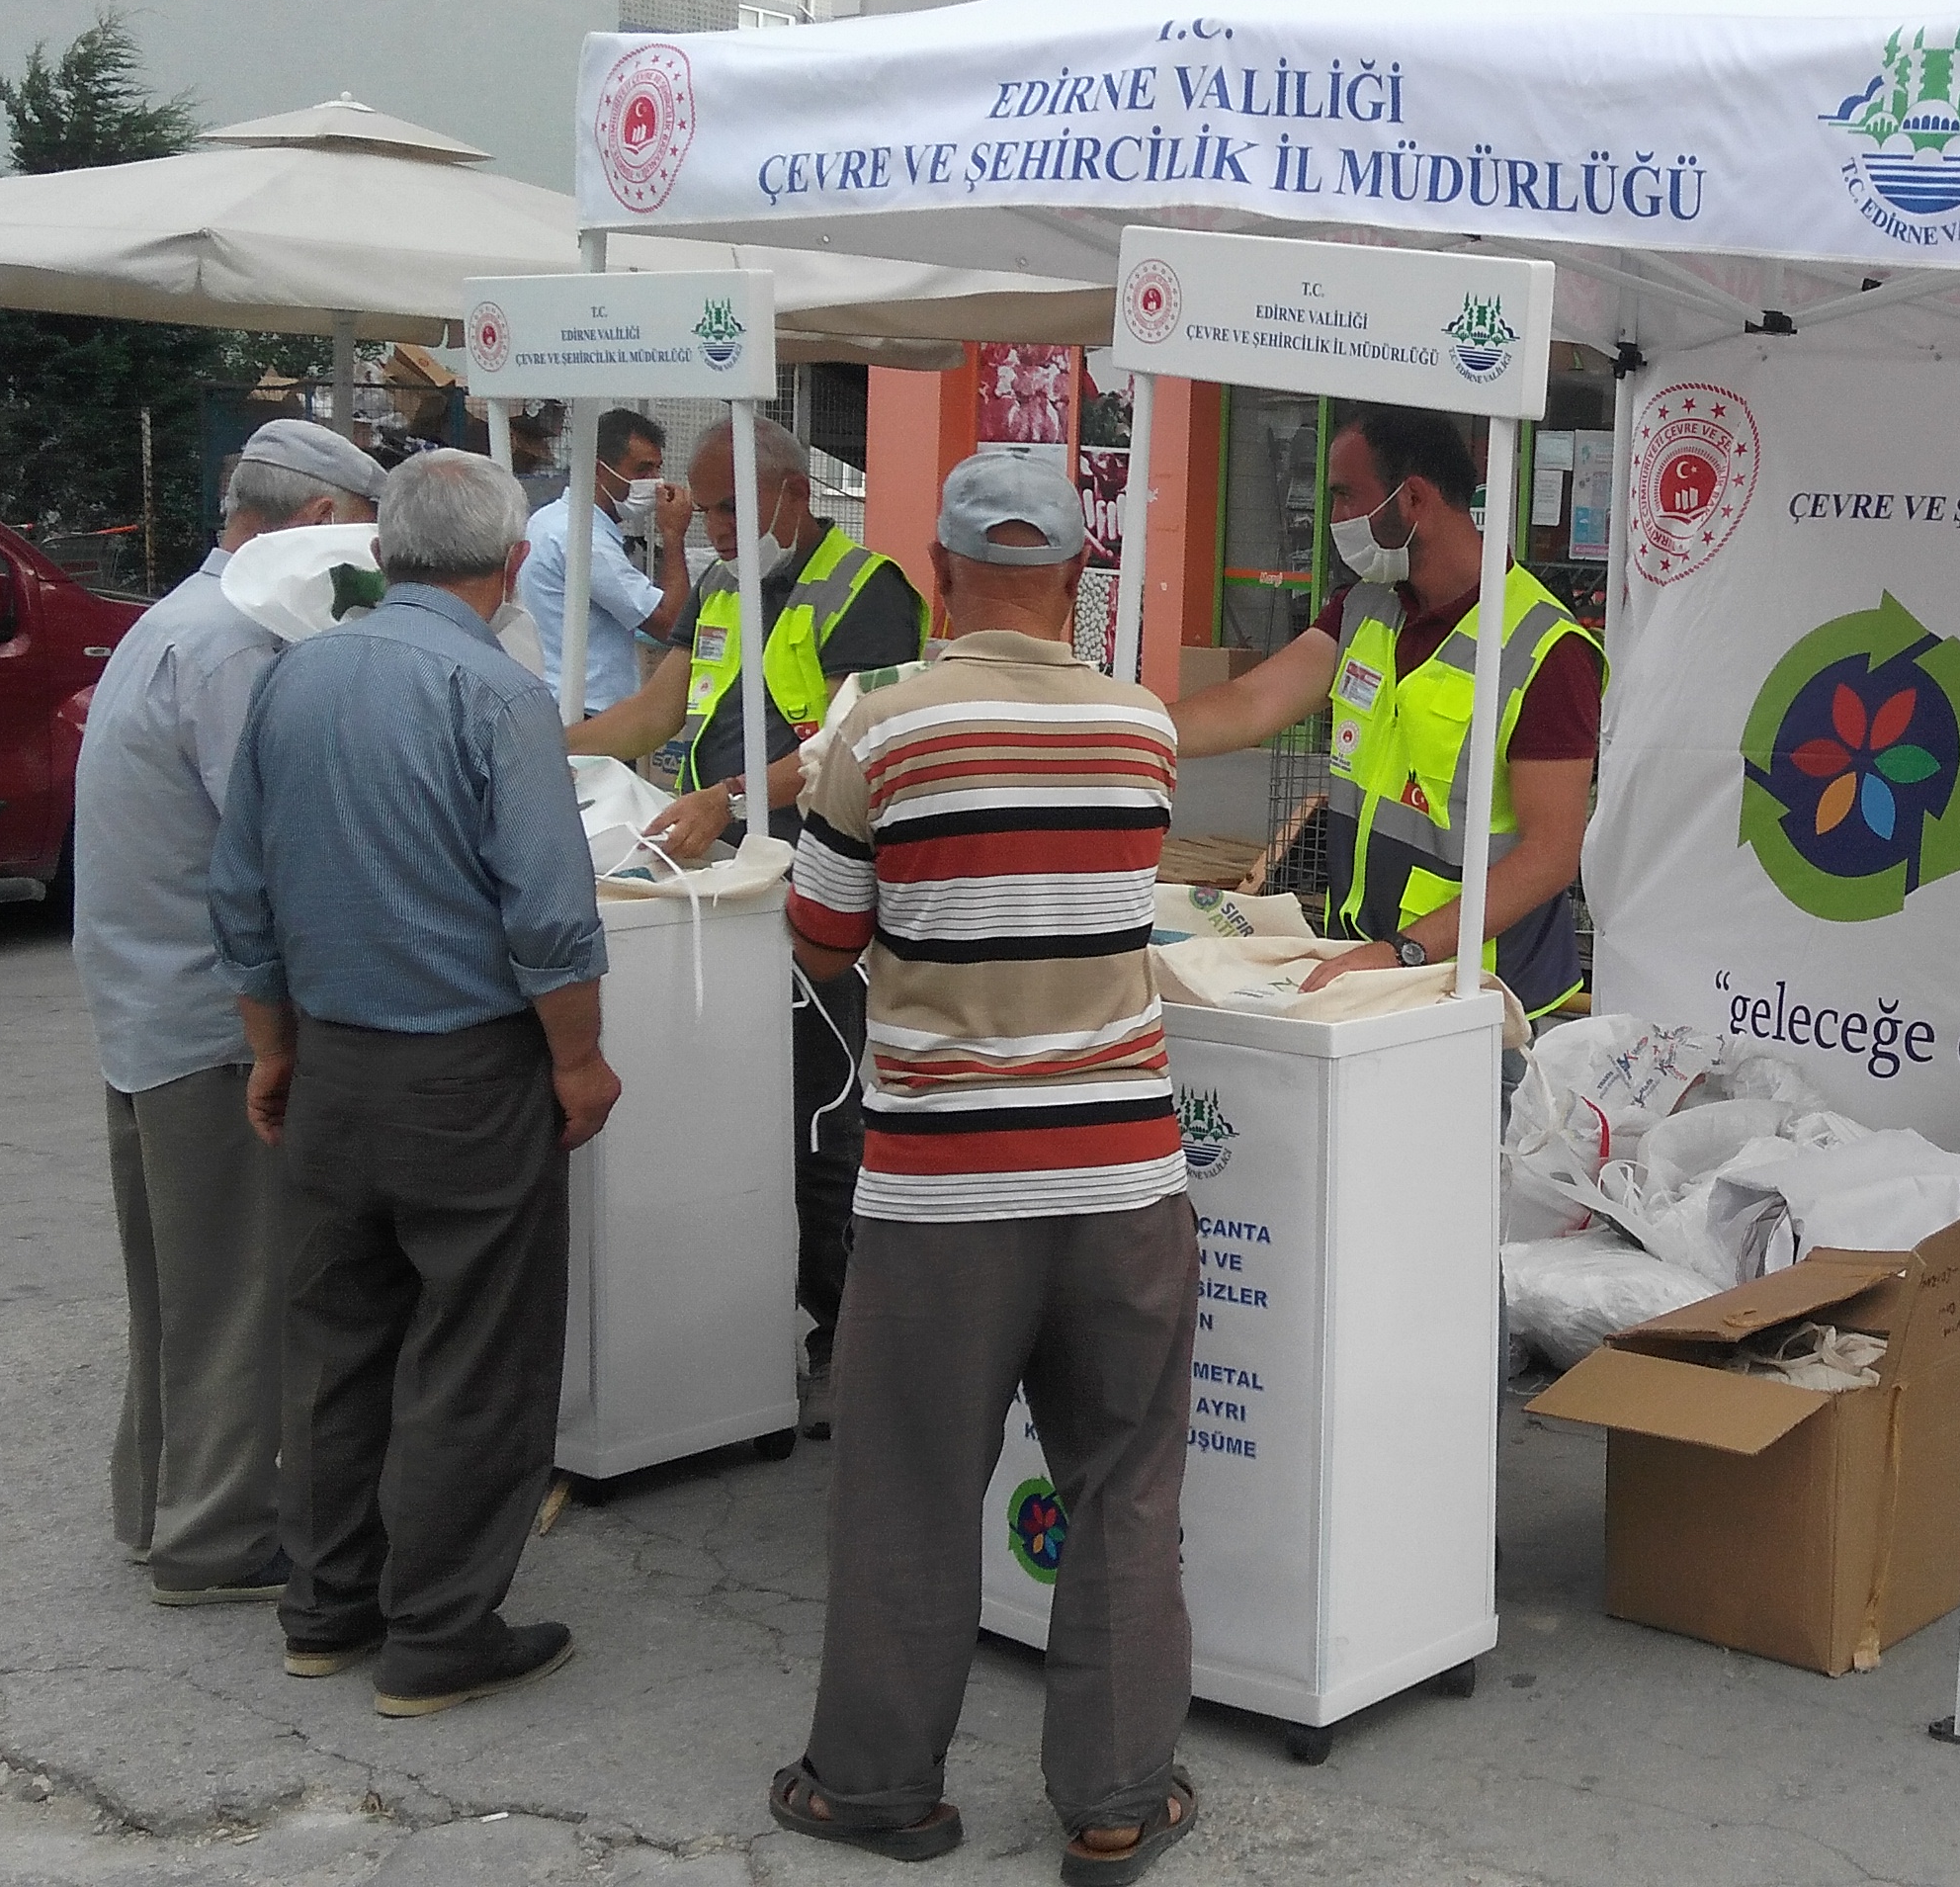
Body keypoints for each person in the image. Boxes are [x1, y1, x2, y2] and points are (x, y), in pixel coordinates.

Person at [764, 449, 1198, 1878]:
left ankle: (878, 1790)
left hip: (945, 1188)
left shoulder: (879, 733)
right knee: (1123, 1486)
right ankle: (1121, 1800)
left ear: (940, 574)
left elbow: (822, 936)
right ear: (1078, 577)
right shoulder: (1141, 727)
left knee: (909, 1489)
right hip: (1124, 1181)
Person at [211, 448, 618, 1717]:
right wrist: (579, 1059)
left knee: (337, 1341)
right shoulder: (493, 692)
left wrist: (273, 1048)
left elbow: (239, 891)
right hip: (464, 1070)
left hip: (332, 1057)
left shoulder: (294, 680)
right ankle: (439, 1630)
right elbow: (549, 913)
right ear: (507, 569)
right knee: (476, 1351)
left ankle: (325, 1608)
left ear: (383, 553)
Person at [73, 419, 381, 1607]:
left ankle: (160, 1506)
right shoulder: (234, 650)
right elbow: (276, 851)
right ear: (315, 530)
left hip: (149, 1005)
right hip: (209, 1022)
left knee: (180, 1290)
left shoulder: (176, 624)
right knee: (237, 1297)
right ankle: (213, 1538)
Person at [573, 417, 926, 1432]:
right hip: (715, 889)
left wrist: (729, 798)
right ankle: (756, 1328)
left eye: (728, 507)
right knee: (738, 1110)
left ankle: (845, 1337)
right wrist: (534, 744)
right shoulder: (724, 589)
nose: (711, 526)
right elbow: (652, 713)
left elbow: (854, 739)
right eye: (704, 503)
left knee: (824, 1120)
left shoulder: (867, 590)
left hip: (816, 880)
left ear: (791, 494)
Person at [1168, 405, 1601, 1019]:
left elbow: (1552, 852)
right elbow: (1253, 701)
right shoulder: (1365, 608)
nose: (1336, 519)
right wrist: (1124, 729)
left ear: (1414, 498)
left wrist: (1402, 953)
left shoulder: (1544, 650)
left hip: (1482, 1001)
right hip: (1371, 976)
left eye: (1347, 497)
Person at [512, 405, 692, 714]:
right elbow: (671, 624)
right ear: (598, 470)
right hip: (584, 711)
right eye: (641, 471)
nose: (655, 483)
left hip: (558, 701)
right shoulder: (583, 536)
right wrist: (673, 535)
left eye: (657, 470)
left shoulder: (552, 519)